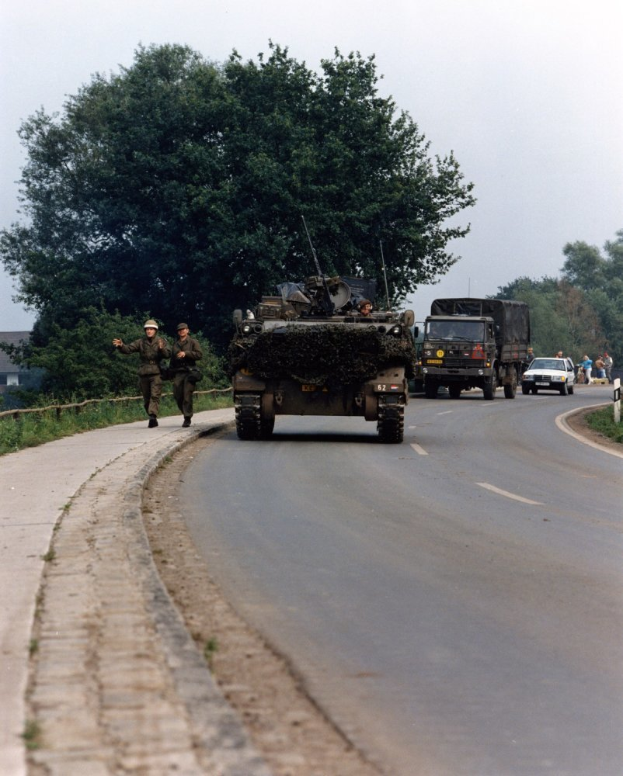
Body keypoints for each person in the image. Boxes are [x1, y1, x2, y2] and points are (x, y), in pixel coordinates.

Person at [113, 320, 171, 427]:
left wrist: (161, 349)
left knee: (155, 395)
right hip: (143, 372)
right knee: (146, 398)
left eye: (151, 329)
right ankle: (151, 415)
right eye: (147, 329)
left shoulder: (161, 341)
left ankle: (152, 417)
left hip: (156, 372)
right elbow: (129, 349)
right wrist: (121, 345)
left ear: (155, 330)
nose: (149, 331)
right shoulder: (140, 342)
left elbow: (168, 354)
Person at [170, 323, 203, 427]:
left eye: (183, 329)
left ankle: (187, 417)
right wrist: (170, 373)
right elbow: (172, 359)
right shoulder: (175, 344)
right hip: (179, 371)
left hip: (190, 371)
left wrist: (186, 353)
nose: (181, 331)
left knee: (187, 394)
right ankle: (185, 412)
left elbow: (199, 355)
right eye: (179, 330)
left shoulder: (193, 342)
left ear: (187, 330)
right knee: (177, 394)